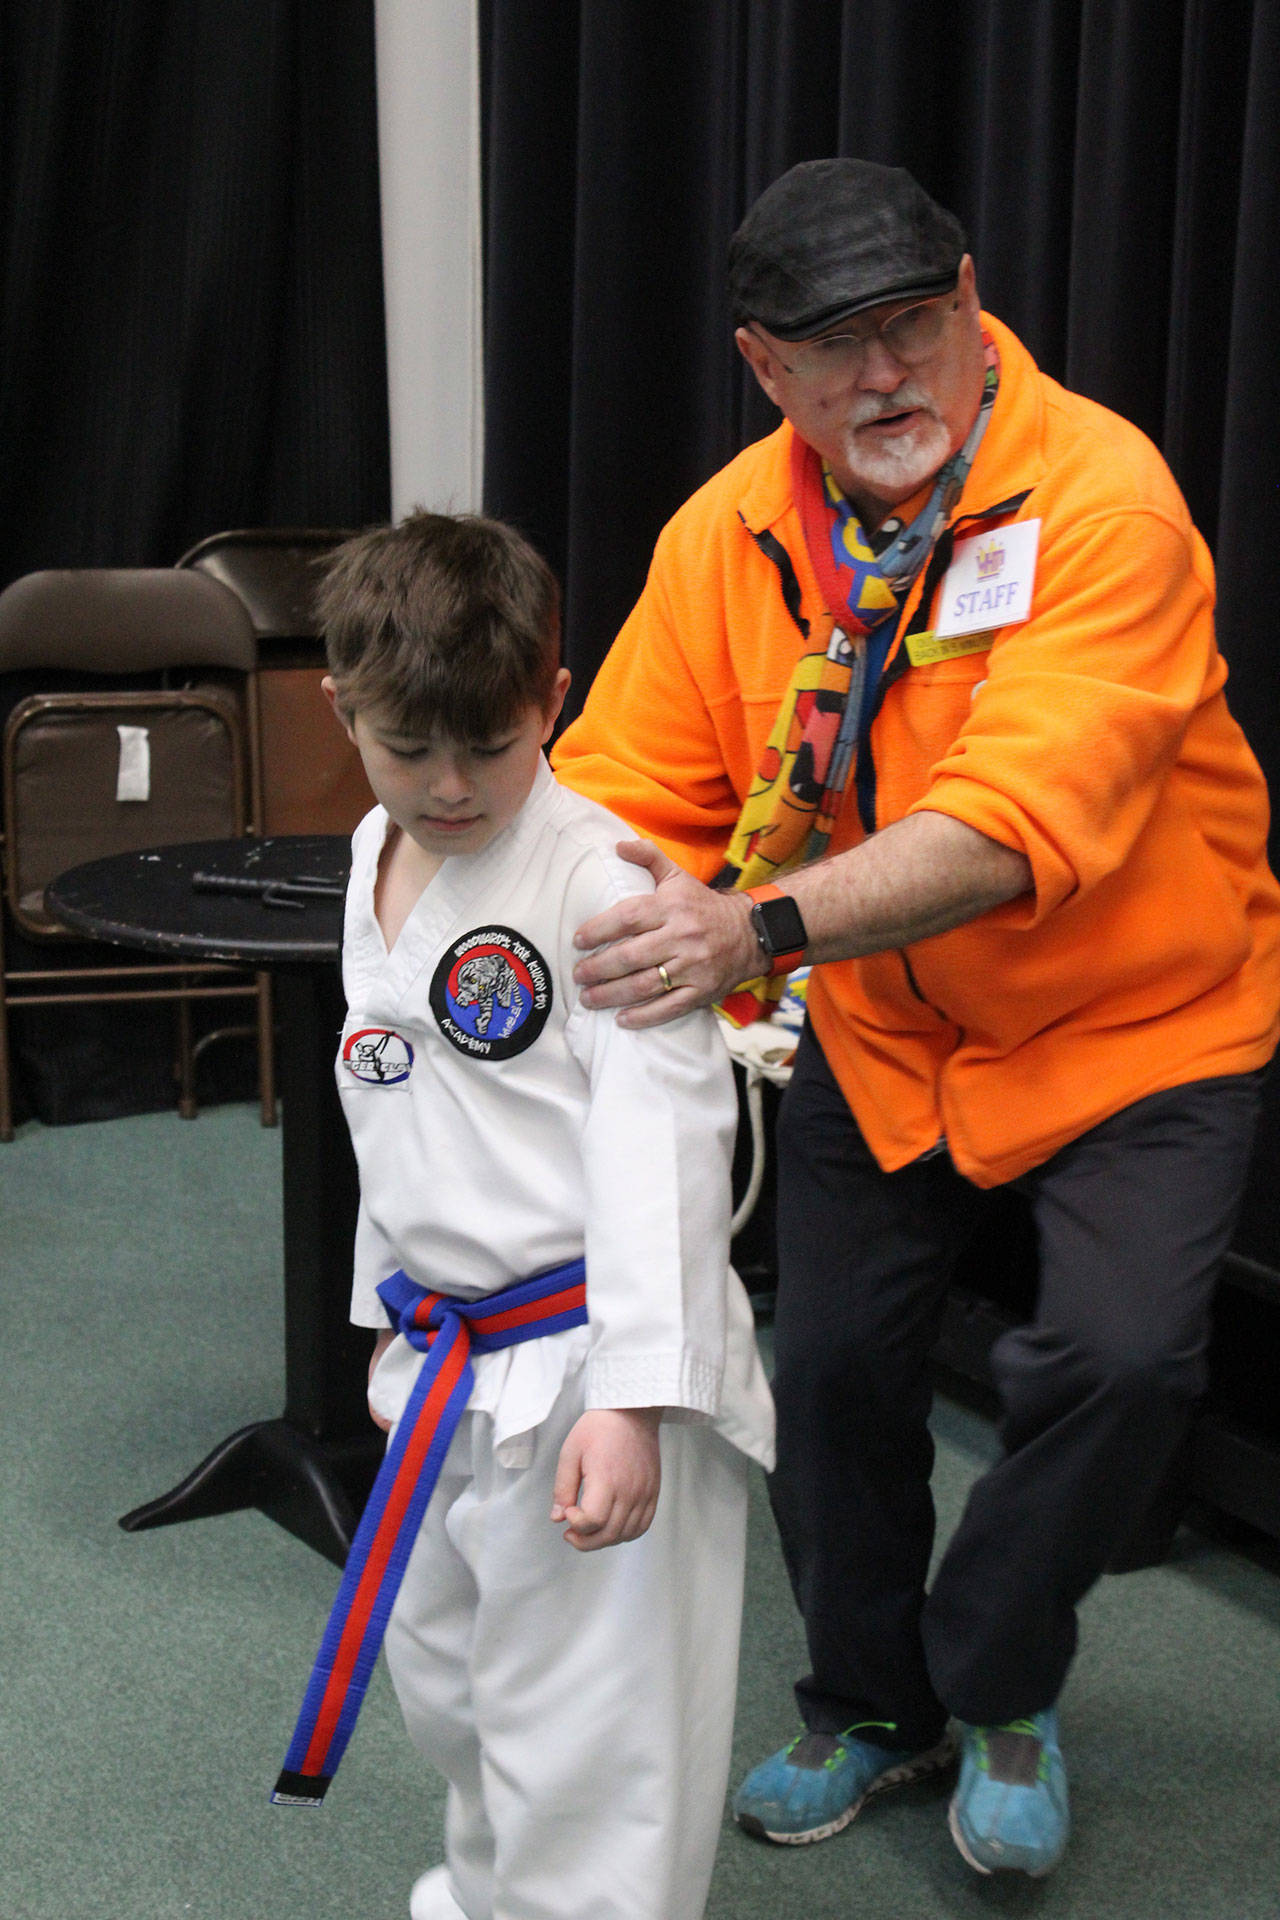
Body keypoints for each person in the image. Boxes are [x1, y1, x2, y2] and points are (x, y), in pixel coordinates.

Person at [552, 157, 1280, 1879]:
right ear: (764, 365)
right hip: (888, 1031)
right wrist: (519, 904)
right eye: (834, 346)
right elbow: (616, 791)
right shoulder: (729, 534)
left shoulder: (1103, 498)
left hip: (1140, 1020)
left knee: (1121, 1362)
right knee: (828, 1377)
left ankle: (998, 1677)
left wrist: (751, 929)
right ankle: (876, 1708)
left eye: (911, 324)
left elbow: (1012, 824)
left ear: (967, 299)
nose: (886, 375)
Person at [272, 510, 774, 1920]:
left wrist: (635, 1400)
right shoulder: (375, 853)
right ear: (342, 710)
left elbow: (664, 1146)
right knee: (459, 1685)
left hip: (588, 1364)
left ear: (551, 700)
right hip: (449, 1357)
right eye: (407, 747)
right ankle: (490, 1898)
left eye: (489, 747)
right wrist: (386, 1311)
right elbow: (397, 1102)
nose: (448, 786)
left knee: (591, 1740)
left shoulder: (601, 885)